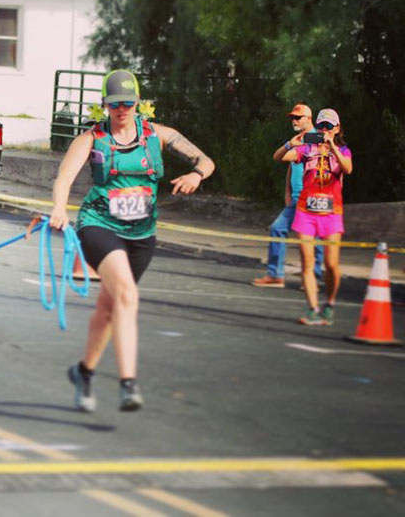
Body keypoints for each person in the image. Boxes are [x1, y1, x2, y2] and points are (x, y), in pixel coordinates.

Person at [49, 69, 215, 412]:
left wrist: (196, 175)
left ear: (138, 103)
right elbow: (64, 177)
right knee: (127, 294)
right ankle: (128, 384)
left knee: (110, 307)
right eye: (114, 104)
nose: (121, 109)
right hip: (99, 225)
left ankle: (83, 372)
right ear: (105, 105)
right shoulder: (91, 139)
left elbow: (205, 160)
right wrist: (59, 208)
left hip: (142, 234)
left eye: (128, 103)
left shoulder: (160, 135)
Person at [273, 109, 352, 325]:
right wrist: (291, 143)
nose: (324, 130)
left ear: (336, 128)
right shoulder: (307, 149)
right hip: (306, 212)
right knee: (306, 263)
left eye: (328, 126)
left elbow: (348, 169)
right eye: (321, 126)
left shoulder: (343, 150)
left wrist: (332, 146)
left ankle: (330, 303)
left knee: (331, 264)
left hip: (331, 212)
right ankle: (312, 308)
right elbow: (278, 157)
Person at [253, 104, 323, 288]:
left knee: (314, 237)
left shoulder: (318, 138)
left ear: (309, 118)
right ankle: (276, 275)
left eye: (298, 117)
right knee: (277, 229)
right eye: (292, 117)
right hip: (296, 198)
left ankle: (313, 277)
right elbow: (288, 163)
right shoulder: (297, 140)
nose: (294, 120)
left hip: (313, 197)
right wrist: (287, 192)